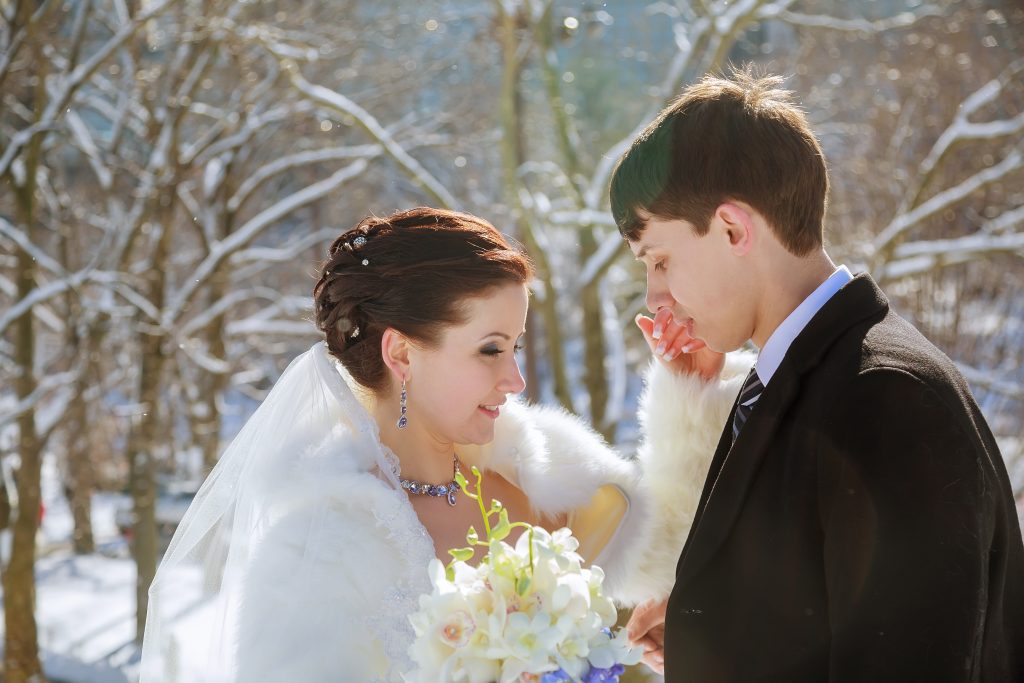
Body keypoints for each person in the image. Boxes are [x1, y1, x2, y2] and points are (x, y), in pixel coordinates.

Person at [138, 207, 739, 682]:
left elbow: (674, 560)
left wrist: (690, 391)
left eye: (515, 347)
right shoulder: (316, 551)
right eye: (490, 349)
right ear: (401, 353)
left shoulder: (540, 479)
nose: (515, 379)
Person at [615, 70, 1024, 681]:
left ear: (732, 229)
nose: (655, 296)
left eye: (660, 260)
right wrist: (711, 628)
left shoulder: (884, 397)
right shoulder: (809, 376)